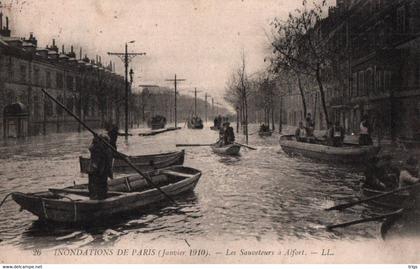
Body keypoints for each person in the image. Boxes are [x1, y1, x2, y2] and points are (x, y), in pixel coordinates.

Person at [87, 134, 113, 200]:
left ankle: (102, 199)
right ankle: (94, 199)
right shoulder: (97, 148)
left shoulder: (108, 149)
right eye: (106, 141)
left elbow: (112, 156)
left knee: (102, 186)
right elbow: (91, 148)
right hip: (96, 171)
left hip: (103, 171)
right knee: (94, 186)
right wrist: (94, 140)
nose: (108, 143)